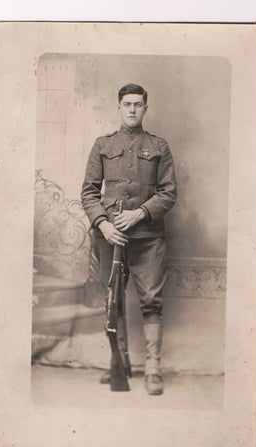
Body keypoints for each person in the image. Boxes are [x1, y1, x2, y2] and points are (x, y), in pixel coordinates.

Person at [81, 83, 177, 395]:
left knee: (151, 300)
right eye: (127, 104)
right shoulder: (101, 144)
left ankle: (152, 368)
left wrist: (139, 214)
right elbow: (89, 192)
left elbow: (169, 193)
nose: (132, 109)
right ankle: (119, 363)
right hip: (111, 237)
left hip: (148, 236)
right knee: (114, 301)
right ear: (119, 107)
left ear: (146, 108)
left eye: (138, 104)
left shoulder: (159, 146)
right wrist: (103, 224)